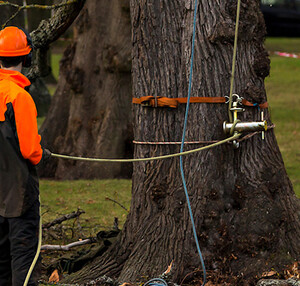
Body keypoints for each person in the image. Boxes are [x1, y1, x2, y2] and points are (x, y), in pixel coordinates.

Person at [0, 26, 50, 286]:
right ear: (27, 57)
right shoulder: (20, 98)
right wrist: (44, 155)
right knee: (24, 263)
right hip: (19, 195)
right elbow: (31, 151)